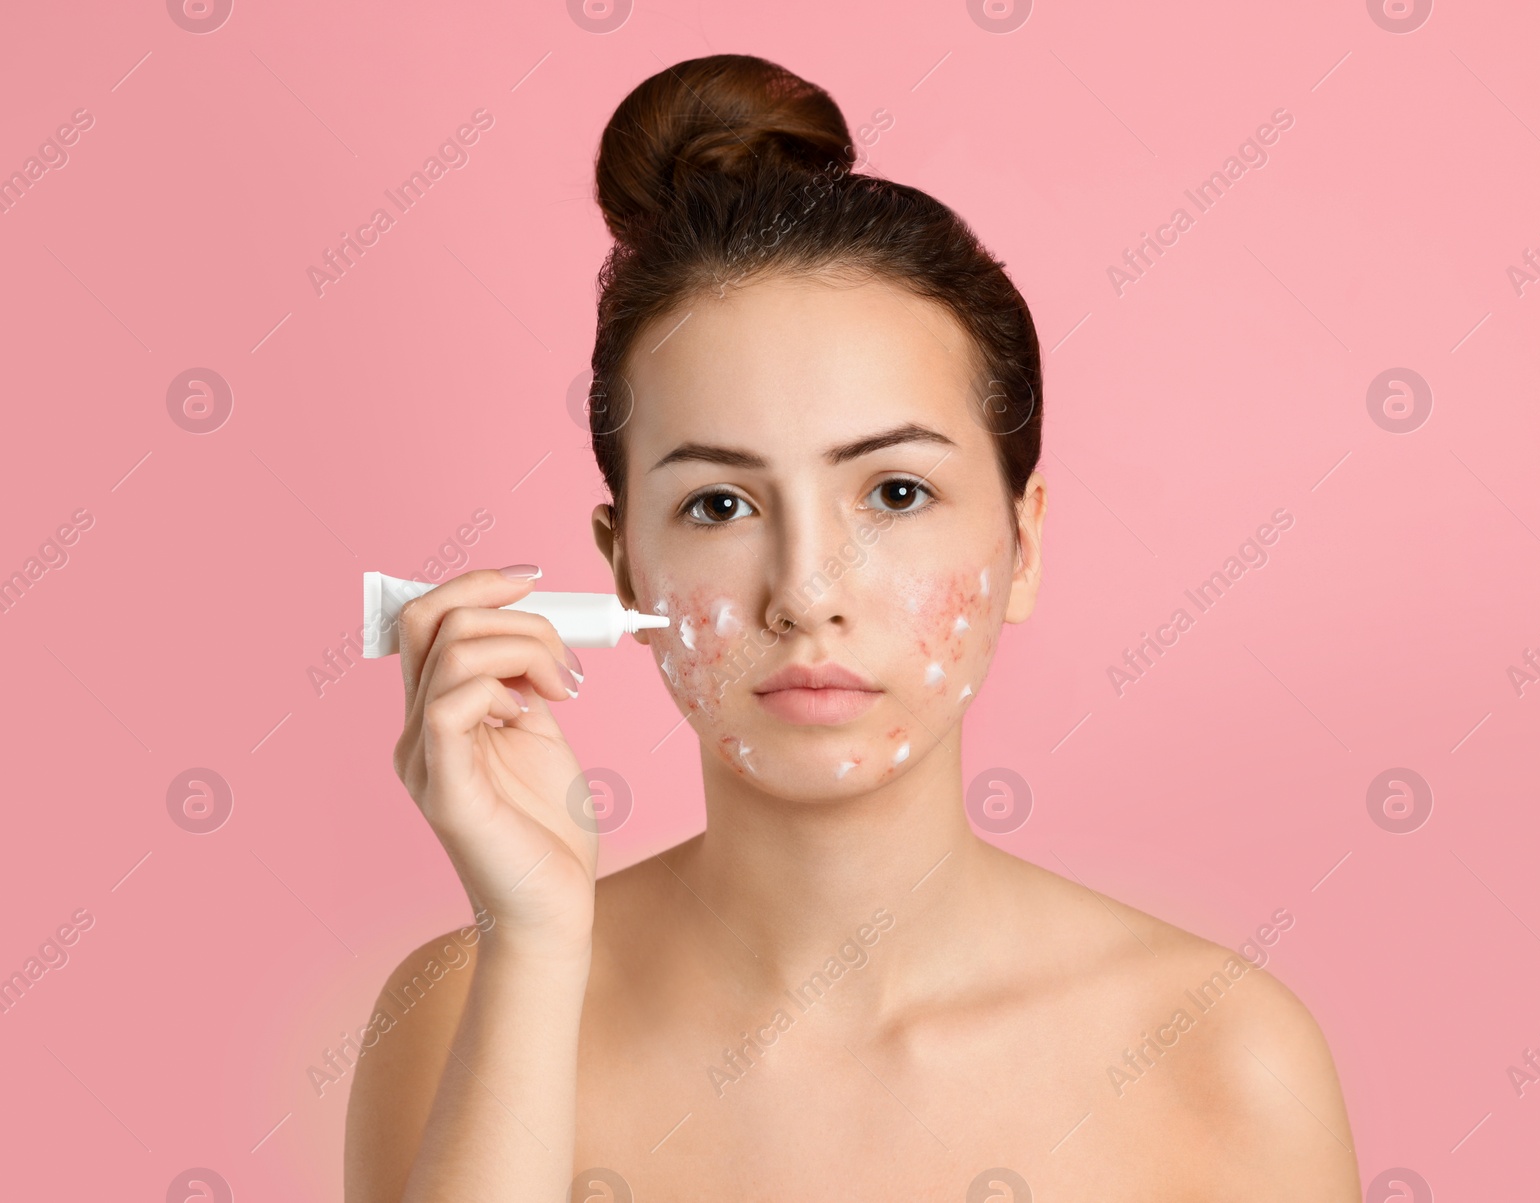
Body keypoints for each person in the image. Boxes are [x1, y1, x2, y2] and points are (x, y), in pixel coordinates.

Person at [346, 53, 1361, 1201]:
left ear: (1022, 542)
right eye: (718, 505)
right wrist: (529, 945)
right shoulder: (459, 1016)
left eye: (893, 493)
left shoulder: (1222, 1062)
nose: (804, 592)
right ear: (621, 558)